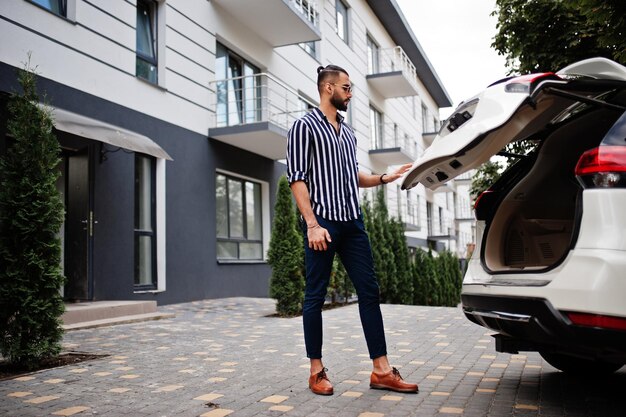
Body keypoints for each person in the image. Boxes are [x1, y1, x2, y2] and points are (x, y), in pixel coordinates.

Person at [286, 64, 418, 396]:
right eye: (346, 88)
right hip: (324, 224)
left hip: (353, 223)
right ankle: (316, 371)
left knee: (369, 293)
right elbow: (297, 179)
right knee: (315, 296)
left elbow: (352, 175)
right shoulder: (304, 127)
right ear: (328, 88)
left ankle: (382, 370)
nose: (350, 93)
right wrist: (312, 224)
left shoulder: (348, 133)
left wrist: (385, 177)